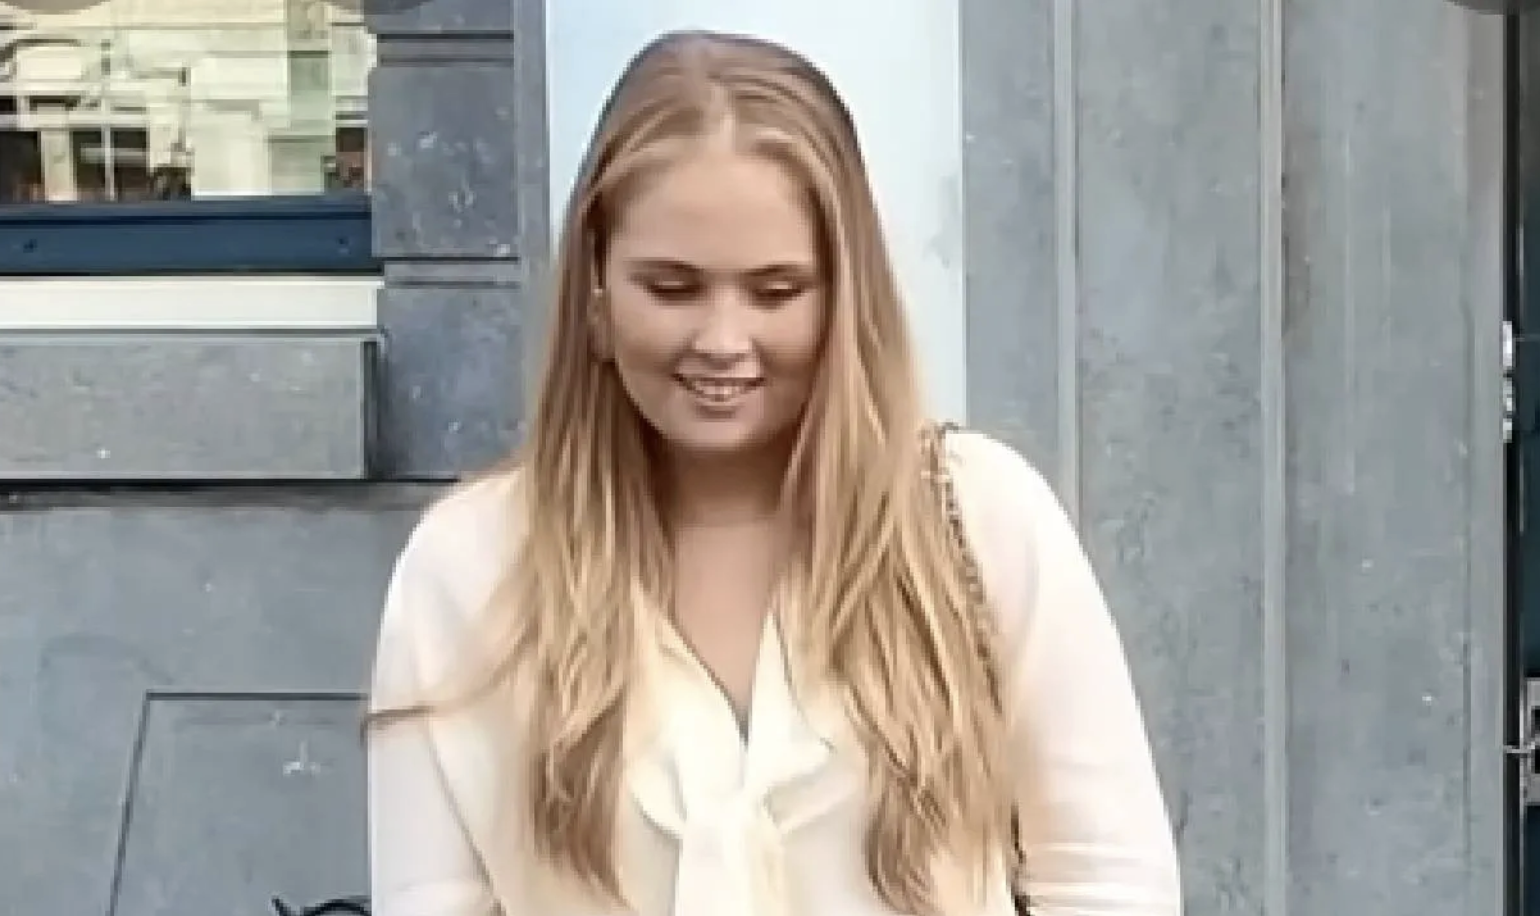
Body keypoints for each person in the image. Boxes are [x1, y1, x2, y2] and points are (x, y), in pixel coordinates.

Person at [365, 29, 1180, 916]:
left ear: (844, 296)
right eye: (672, 288)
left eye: (776, 291)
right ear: (595, 289)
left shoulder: (979, 523)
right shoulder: (468, 572)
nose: (723, 340)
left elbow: (1107, 884)